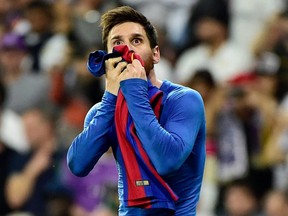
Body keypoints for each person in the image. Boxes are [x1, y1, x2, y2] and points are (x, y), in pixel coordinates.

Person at [67, 5, 206, 216]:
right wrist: (111, 96)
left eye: (137, 40)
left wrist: (134, 92)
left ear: (156, 53)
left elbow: (167, 161)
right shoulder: (104, 109)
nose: (127, 49)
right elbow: (78, 164)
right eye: (117, 42)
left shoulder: (184, 100)